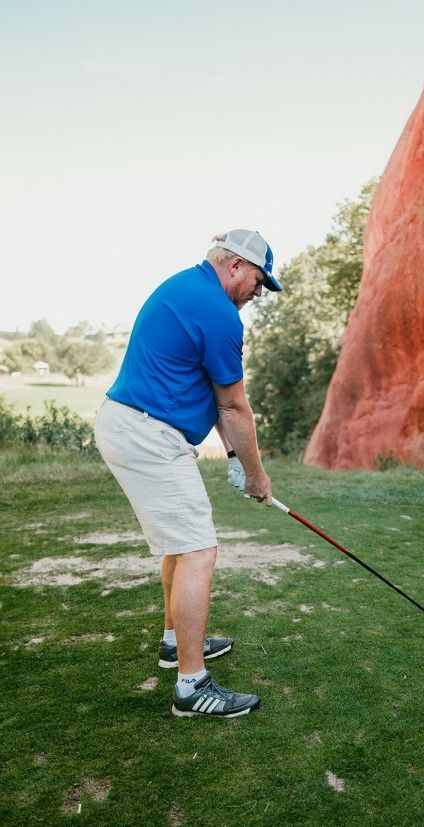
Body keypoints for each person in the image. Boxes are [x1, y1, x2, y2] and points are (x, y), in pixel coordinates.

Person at [94, 229, 282, 719]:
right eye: (260, 281)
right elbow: (235, 406)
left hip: (135, 428)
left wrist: (238, 460)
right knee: (199, 549)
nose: (259, 292)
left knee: (183, 545)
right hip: (147, 435)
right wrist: (259, 478)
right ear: (237, 265)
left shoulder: (189, 288)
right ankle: (191, 687)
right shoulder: (218, 313)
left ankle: (175, 642)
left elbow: (216, 402)